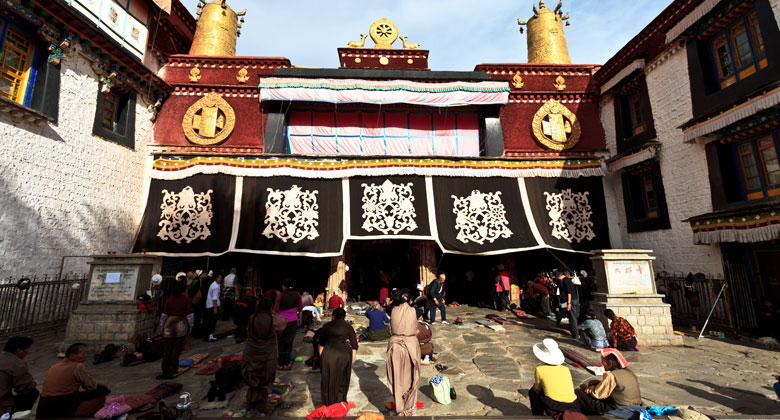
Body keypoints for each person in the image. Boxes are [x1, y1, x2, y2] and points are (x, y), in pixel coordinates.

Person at [37, 343, 111, 418]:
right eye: (83, 353)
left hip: (44, 405)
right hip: (62, 404)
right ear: (72, 356)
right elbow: (90, 385)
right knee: (102, 390)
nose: (86, 356)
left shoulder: (54, 366)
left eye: (87, 353)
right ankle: (83, 410)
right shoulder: (78, 366)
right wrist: (102, 384)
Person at [575, 348, 642, 415]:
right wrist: (599, 383)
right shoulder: (630, 372)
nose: (601, 363)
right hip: (634, 405)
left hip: (618, 407)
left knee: (578, 393)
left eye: (603, 360)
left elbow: (598, 394)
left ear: (609, 363)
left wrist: (586, 389)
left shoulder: (611, 375)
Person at [386, 290, 421, 416]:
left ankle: (399, 406)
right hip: (410, 345)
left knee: (396, 377)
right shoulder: (416, 311)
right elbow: (421, 308)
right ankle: (409, 407)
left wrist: (396, 300)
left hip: (395, 346)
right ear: (410, 300)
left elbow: (389, 306)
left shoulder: (392, 310)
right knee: (412, 377)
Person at [242, 298, 277, 414]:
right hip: (267, 354)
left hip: (252, 352)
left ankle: (250, 404)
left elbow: (250, 333)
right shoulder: (272, 318)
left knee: (253, 378)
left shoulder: (252, 318)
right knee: (263, 380)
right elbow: (284, 323)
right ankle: (260, 407)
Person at [528, 338, 580, 416]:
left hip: (554, 405)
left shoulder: (540, 370)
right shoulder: (566, 369)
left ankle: (538, 416)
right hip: (572, 403)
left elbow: (537, 390)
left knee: (532, 392)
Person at [318, 308, 358, 405]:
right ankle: (340, 402)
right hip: (344, 354)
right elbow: (355, 345)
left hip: (329, 353)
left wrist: (322, 358)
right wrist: (351, 361)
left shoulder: (327, 326)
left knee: (327, 379)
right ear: (344, 317)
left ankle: (328, 403)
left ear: (333, 316)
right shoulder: (348, 326)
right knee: (343, 379)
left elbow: (321, 343)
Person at [158, 282, 193, 379]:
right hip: (180, 324)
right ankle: (173, 369)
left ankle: (165, 369)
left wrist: (162, 325)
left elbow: (164, 314)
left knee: (167, 350)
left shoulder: (169, 300)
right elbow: (189, 315)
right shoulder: (187, 300)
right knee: (176, 349)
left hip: (169, 324)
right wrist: (190, 326)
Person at [0, 336, 38, 414]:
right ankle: (15, 415)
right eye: (28, 349)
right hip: (2, 404)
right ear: (19, 350)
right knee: (32, 393)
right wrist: (33, 383)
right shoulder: (17, 363)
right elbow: (24, 388)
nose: (28, 351)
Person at [274, 279, 302, 369]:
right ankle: (287, 363)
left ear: (284, 286)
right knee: (289, 342)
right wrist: (299, 318)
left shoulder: (280, 295)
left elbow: (276, 309)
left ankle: (280, 363)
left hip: (282, 321)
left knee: (281, 341)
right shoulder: (297, 294)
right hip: (293, 320)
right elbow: (300, 307)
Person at [556, 273, 580, 339]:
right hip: (575, 300)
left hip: (570, 301)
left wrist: (569, 303)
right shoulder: (568, 280)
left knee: (572, 318)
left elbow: (569, 293)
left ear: (559, 276)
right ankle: (575, 332)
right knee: (574, 316)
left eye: (557, 278)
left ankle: (575, 334)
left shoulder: (565, 281)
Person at [204, 273, 222, 342]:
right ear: (215, 278)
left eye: (221, 277)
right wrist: (215, 308)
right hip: (212, 305)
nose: (220, 279)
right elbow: (214, 298)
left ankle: (208, 336)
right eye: (218, 277)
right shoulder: (216, 286)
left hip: (209, 305)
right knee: (212, 322)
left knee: (210, 321)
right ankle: (210, 336)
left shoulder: (214, 284)